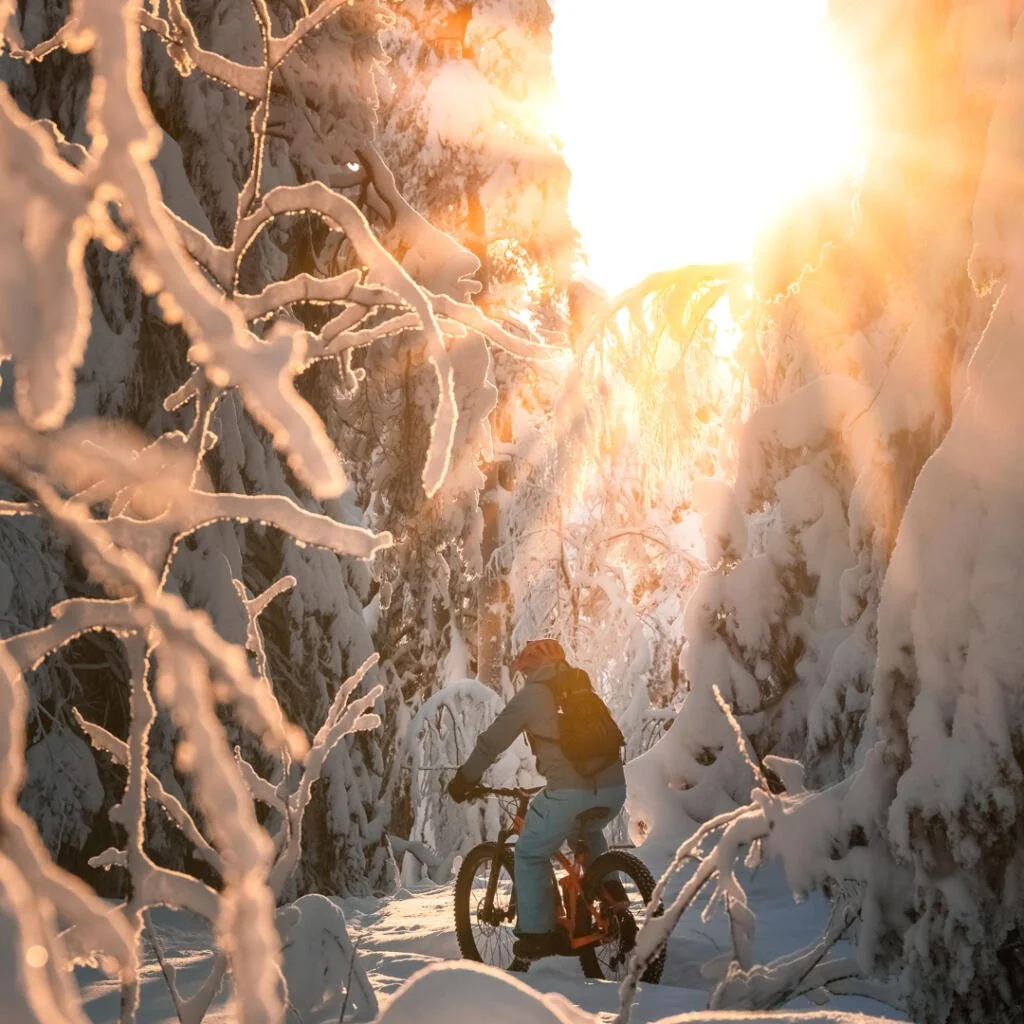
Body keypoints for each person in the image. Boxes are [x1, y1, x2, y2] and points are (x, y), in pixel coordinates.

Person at [447, 639, 628, 961]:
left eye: (524, 670)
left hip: (569, 795)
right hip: (614, 790)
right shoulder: (583, 692)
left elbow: (491, 743)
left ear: (528, 668)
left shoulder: (532, 696)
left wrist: (464, 780)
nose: (524, 676)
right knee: (586, 831)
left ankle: (536, 937)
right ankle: (611, 891)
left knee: (530, 854)